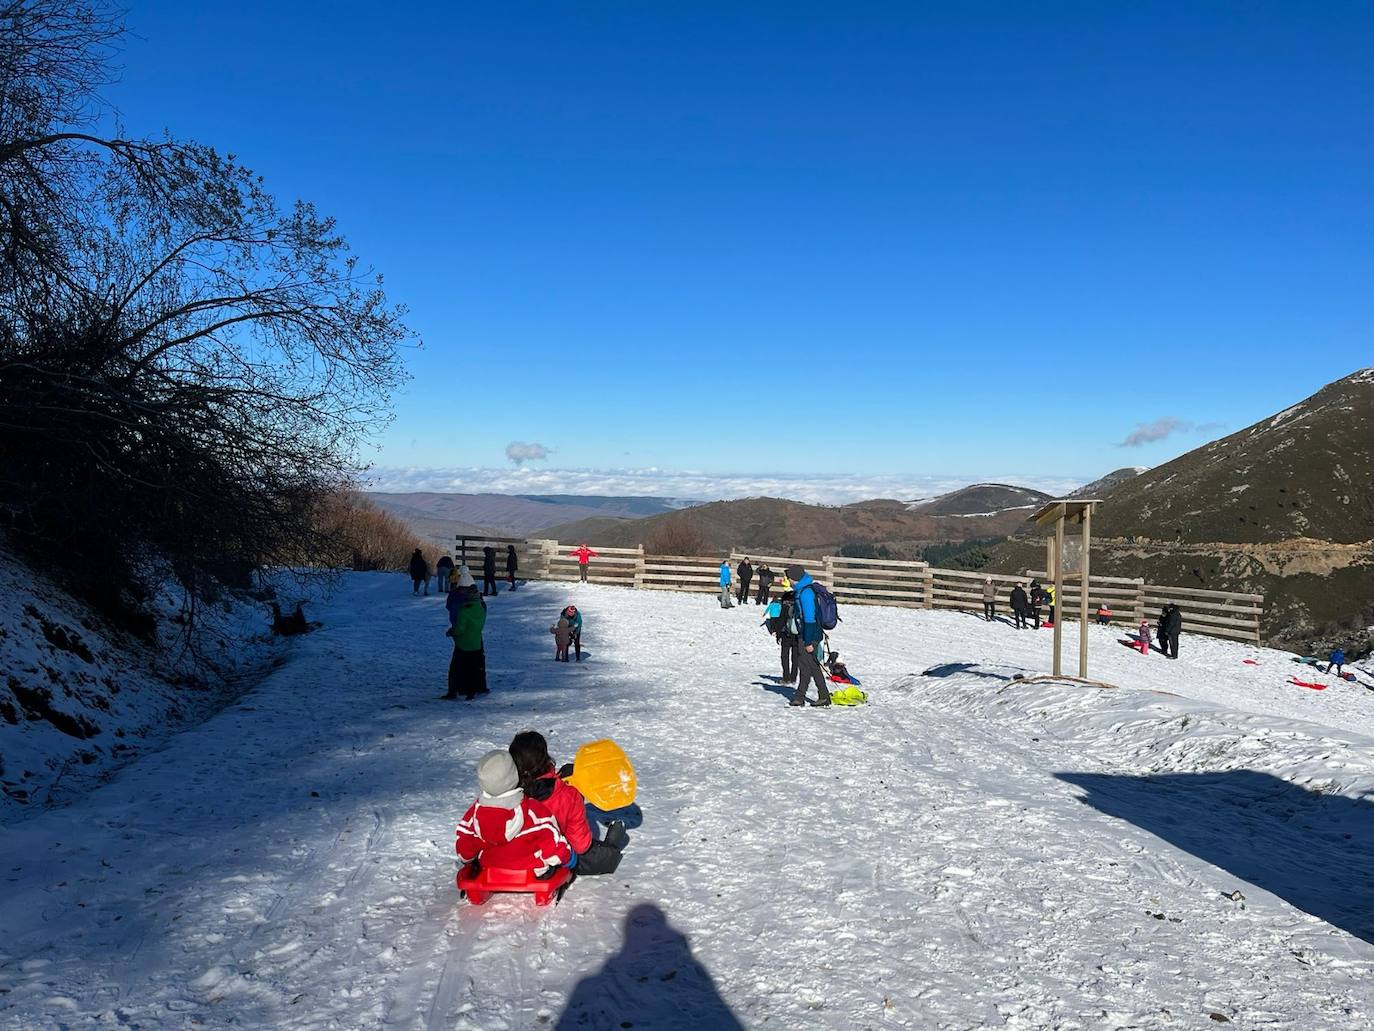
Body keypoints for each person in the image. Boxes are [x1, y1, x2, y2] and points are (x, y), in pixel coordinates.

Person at [509, 731, 630, 876]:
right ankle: (612, 842)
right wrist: (577, 798)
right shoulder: (568, 796)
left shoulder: (505, 791)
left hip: (514, 853)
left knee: (567, 771)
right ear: (545, 758)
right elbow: (581, 845)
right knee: (600, 858)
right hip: (551, 855)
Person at [455, 750, 572, 876]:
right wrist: (569, 858)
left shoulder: (474, 814)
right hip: (532, 871)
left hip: (490, 869)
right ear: (514, 775)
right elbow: (551, 842)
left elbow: (464, 848)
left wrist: (467, 860)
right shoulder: (532, 810)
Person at [786, 565, 830, 707]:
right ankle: (821, 696)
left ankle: (802, 696)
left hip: (809, 635)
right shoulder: (802, 591)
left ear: (795, 579)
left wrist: (808, 641)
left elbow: (809, 618)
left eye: (789, 579)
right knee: (810, 666)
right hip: (806, 634)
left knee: (807, 666)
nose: (788, 581)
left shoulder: (806, 593)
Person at [445, 567, 488, 699]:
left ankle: (454, 690)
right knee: (475, 667)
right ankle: (473, 690)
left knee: (456, 667)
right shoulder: (480, 606)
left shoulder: (463, 609)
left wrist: (452, 632)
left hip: (463, 642)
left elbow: (460, 629)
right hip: (476, 640)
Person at [767, 588, 800, 684]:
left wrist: (778, 635)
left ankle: (786, 677)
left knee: (785, 656)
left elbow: (781, 621)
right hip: (797, 635)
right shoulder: (799, 606)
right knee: (795, 658)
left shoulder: (785, 606)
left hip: (786, 635)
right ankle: (794, 677)